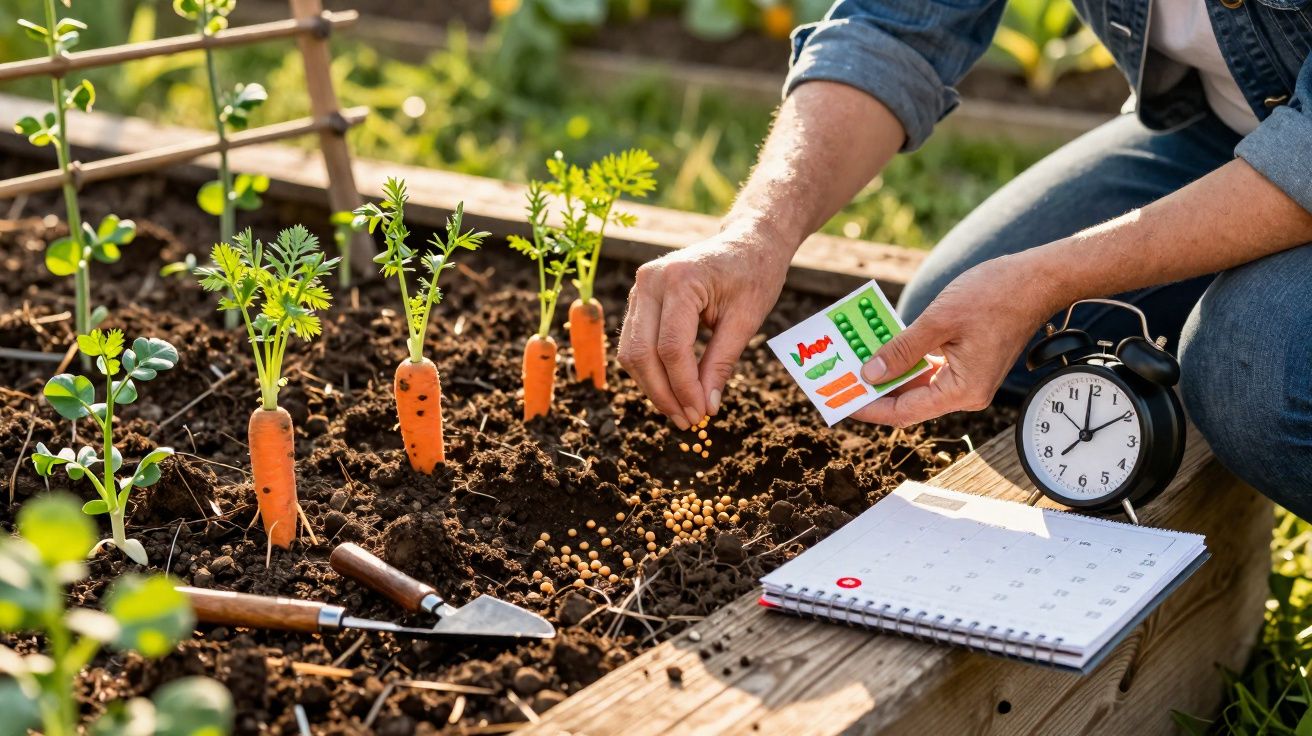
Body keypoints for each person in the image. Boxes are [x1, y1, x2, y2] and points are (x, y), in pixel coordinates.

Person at [616, 0, 1312, 517]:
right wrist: (757, 234)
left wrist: (1048, 277)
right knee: (947, 319)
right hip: (1222, 126)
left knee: (1250, 371)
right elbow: (893, 28)